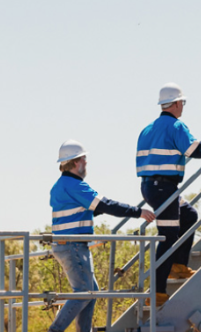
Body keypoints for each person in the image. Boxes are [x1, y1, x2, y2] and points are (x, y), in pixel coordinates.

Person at [137, 82, 201, 307]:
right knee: (167, 236)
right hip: (163, 187)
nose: (183, 107)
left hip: (151, 186)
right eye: (182, 103)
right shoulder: (176, 126)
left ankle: (178, 265)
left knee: (188, 214)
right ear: (176, 103)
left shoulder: (147, 129)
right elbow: (197, 150)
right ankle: (157, 292)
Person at [49, 140, 155, 332]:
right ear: (76, 162)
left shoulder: (60, 186)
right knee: (83, 292)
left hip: (68, 245)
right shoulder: (75, 185)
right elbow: (105, 205)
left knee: (91, 292)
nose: (86, 163)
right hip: (73, 246)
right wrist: (138, 212)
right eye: (84, 159)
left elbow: (83, 211)